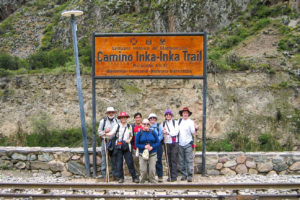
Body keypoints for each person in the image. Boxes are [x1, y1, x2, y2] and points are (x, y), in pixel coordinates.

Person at [103, 112, 139, 183]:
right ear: (120, 118)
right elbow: (112, 133)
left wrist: (129, 139)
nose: (123, 119)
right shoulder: (117, 126)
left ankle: (134, 177)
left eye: (125, 117)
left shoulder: (129, 126)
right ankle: (121, 178)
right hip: (118, 145)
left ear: (126, 118)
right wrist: (105, 134)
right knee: (119, 163)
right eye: (122, 117)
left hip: (126, 146)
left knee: (130, 162)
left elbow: (131, 135)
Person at [135, 119, 160, 183]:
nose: (146, 125)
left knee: (152, 170)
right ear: (142, 125)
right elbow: (136, 144)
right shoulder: (139, 133)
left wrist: (152, 147)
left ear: (149, 125)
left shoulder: (153, 132)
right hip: (142, 154)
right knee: (143, 170)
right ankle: (142, 182)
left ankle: (152, 182)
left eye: (147, 124)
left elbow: (158, 142)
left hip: (152, 153)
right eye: (144, 124)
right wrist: (144, 146)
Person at [97, 107, 119, 180]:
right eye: (109, 112)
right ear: (107, 113)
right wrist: (105, 132)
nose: (111, 114)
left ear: (114, 113)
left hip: (114, 141)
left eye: (112, 112)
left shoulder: (117, 121)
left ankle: (115, 175)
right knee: (104, 158)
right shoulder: (103, 121)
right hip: (105, 141)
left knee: (114, 158)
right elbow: (99, 132)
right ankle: (104, 175)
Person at [178, 107, 196, 182]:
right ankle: (183, 174)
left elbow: (193, 132)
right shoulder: (178, 121)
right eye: (184, 113)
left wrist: (196, 128)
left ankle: (190, 175)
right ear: (182, 114)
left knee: (189, 160)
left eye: (186, 113)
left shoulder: (191, 122)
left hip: (188, 143)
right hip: (180, 143)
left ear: (188, 114)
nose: (185, 114)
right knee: (181, 160)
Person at [161, 109, 179, 182]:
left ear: (171, 116)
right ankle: (170, 175)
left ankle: (174, 176)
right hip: (166, 143)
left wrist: (167, 132)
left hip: (174, 143)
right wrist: (163, 133)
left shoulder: (175, 122)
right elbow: (161, 132)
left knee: (174, 159)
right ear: (165, 116)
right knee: (168, 160)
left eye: (169, 114)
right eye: (167, 115)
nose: (168, 116)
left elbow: (175, 133)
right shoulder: (163, 124)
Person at [148, 113, 164, 182]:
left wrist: (156, 141)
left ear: (155, 119)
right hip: (150, 146)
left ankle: (160, 176)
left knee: (158, 160)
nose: (152, 120)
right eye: (151, 119)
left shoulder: (158, 126)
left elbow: (161, 135)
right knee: (150, 161)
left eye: (154, 118)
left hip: (158, 145)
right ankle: (151, 176)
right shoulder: (147, 127)